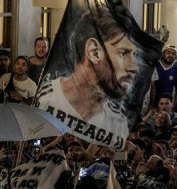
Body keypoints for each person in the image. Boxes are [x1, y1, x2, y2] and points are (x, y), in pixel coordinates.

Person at [36, 8, 139, 149]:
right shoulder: (44, 99)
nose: (134, 67)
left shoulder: (118, 123)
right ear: (94, 52)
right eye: (123, 53)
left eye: (135, 55)